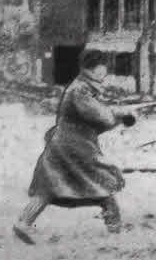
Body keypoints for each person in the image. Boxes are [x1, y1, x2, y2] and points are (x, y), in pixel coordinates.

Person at [13, 50, 136, 245]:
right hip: (75, 148)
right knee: (103, 180)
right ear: (94, 68)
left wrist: (119, 116)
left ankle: (24, 222)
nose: (105, 71)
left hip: (64, 145)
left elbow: (97, 121)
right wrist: (122, 114)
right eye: (103, 67)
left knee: (49, 186)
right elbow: (101, 117)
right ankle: (116, 229)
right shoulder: (81, 90)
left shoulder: (83, 87)